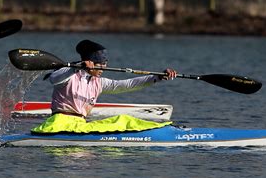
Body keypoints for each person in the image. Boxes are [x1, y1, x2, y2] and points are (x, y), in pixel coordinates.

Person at [32, 39, 177, 134]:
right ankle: (162, 132)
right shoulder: (70, 75)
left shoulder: (98, 82)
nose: (103, 68)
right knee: (124, 121)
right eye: (100, 64)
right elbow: (54, 79)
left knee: (123, 119)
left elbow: (125, 85)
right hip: (59, 124)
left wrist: (156, 77)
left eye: (105, 64)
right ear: (90, 62)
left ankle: (161, 129)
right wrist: (76, 68)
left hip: (80, 125)